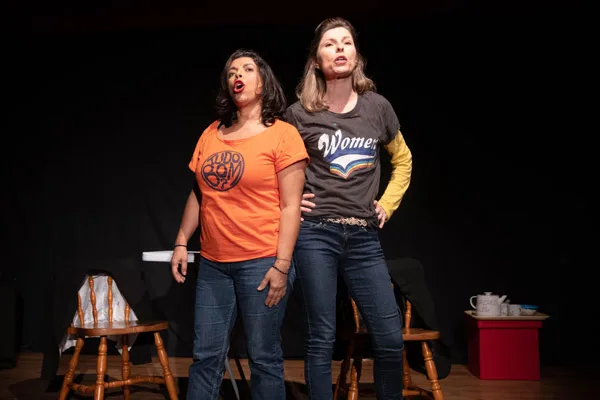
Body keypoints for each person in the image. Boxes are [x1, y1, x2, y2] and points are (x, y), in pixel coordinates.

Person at [283, 18, 412, 400]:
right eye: (329, 44)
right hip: (315, 234)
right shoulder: (298, 114)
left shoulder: (377, 107)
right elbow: (275, 170)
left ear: (356, 56)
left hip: (363, 236)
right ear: (316, 59)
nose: (339, 49)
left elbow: (403, 160)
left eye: (346, 43)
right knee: (321, 337)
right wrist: (286, 202)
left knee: (389, 339)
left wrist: (387, 203)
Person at [170, 48, 309, 400]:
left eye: (248, 68)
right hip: (215, 264)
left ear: (263, 81)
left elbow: (291, 206)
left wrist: (282, 264)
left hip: (262, 262)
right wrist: (182, 241)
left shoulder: (283, 135)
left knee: (263, 358)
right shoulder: (211, 134)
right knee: (204, 358)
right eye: (233, 71)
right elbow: (199, 195)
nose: (239, 75)